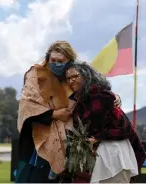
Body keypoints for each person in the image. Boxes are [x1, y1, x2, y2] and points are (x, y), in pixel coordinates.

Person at [15, 41, 121, 183]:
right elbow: (28, 106)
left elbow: (99, 87)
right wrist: (53, 114)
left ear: (69, 61)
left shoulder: (75, 74)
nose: (57, 64)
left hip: (71, 144)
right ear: (48, 58)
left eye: (61, 61)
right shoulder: (35, 75)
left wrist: (115, 96)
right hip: (40, 142)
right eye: (53, 60)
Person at [65, 62, 146, 183]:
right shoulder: (80, 103)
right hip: (95, 158)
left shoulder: (103, 97)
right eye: (68, 78)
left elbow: (125, 129)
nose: (71, 81)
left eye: (75, 76)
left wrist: (98, 137)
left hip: (114, 156)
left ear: (87, 76)